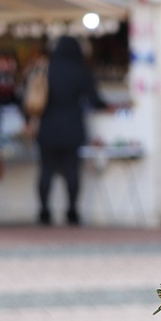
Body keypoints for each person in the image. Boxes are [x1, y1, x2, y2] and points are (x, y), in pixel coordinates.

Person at [35, 35, 107, 225]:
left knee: (46, 171)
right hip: (72, 126)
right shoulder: (81, 71)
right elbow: (95, 101)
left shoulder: (46, 70)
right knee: (72, 171)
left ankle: (44, 211)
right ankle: (72, 211)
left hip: (47, 126)